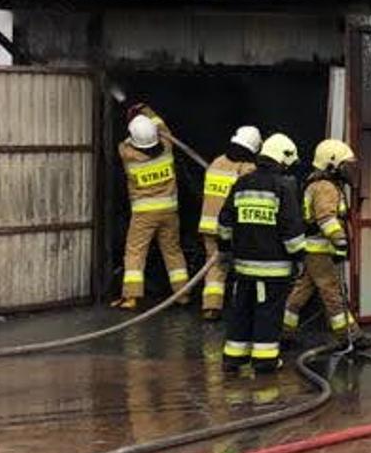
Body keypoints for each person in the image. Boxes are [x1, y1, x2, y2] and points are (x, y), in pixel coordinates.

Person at [217, 133, 305, 374]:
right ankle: (265, 361)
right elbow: (291, 228)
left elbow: (224, 222)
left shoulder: (242, 183)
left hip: (242, 267)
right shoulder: (283, 187)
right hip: (273, 270)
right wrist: (299, 257)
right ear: (282, 158)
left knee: (241, 312)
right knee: (268, 314)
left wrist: (224, 249)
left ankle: (233, 358)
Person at [283, 139, 364, 346]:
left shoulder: (320, 184)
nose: (349, 171)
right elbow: (325, 218)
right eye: (345, 165)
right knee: (332, 292)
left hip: (313, 249)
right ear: (331, 164)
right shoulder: (325, 187)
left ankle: (283, 332)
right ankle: (350, 336)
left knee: (301, 292)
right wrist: (340, 240)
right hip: (319, 250)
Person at [115, 109, 188, 310]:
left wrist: (132, 118)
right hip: (169, 211)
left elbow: (125, 142)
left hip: (144, 214)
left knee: (135, 253)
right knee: (173, 252)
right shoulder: (167, 147)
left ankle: (131, 296)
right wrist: (146, 110)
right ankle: (182, 294)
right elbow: (163, 129)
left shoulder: (127, 154)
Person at [197, 126, 262, 320]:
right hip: (233, 228)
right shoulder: (248, 169)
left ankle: (211, 306)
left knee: (215, 266)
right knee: (242, 266)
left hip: (209, 226)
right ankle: (241, 308)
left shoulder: (216, 163)